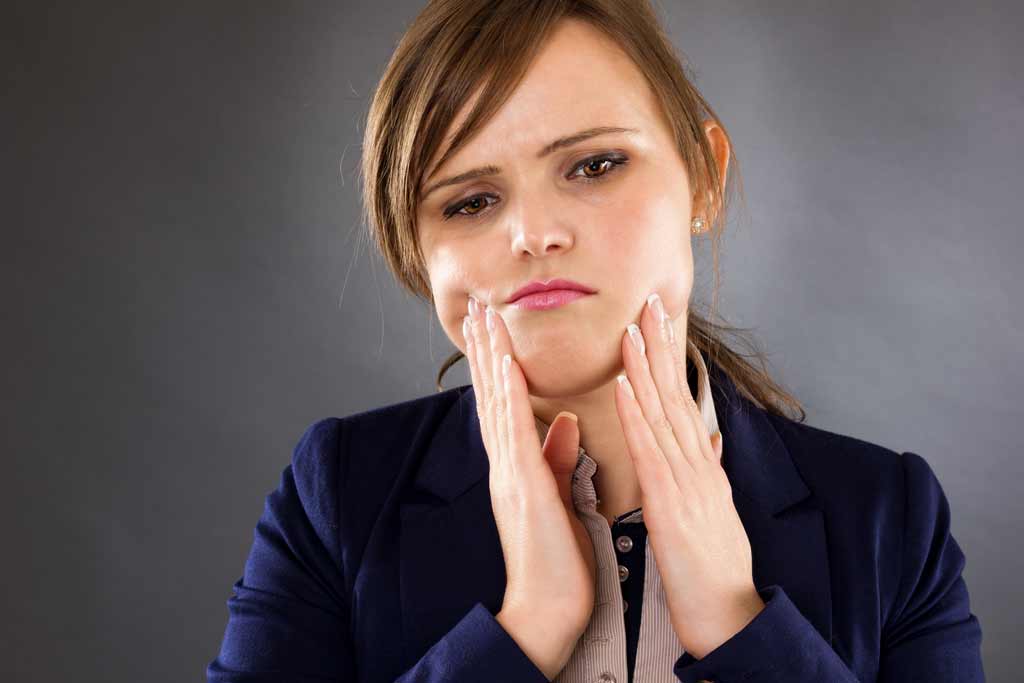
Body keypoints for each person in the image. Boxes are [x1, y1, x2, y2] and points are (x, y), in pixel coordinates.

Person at [206, 1, 986, 681]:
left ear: (704, 177)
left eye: (596, 164)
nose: (534, 234)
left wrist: (743, 627)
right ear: (418, 250)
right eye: (471, 201)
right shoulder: (338, 494)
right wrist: (524, 630)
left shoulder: (890, 517)